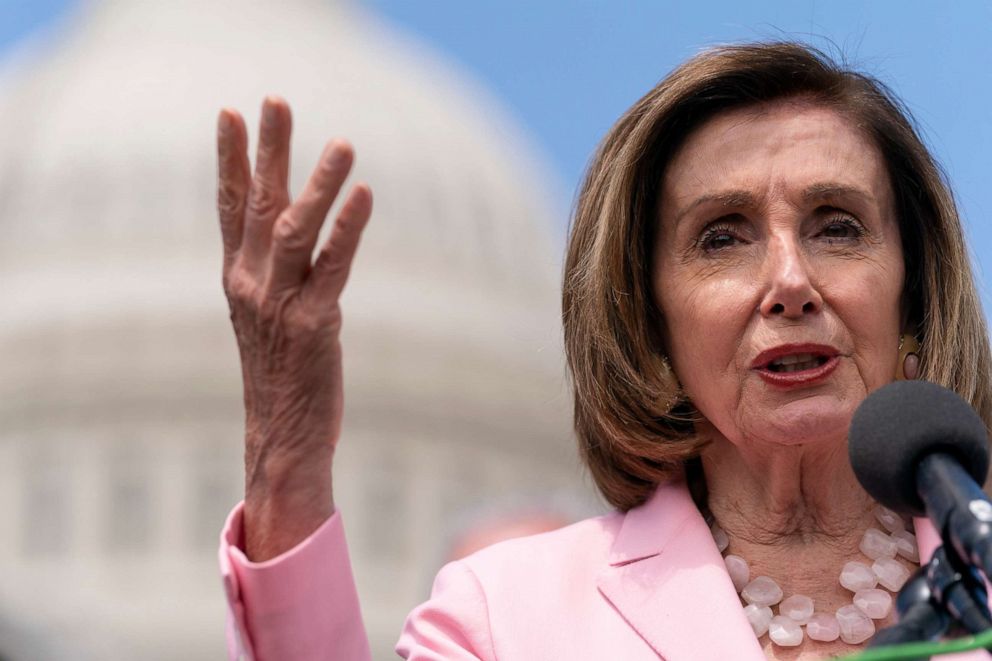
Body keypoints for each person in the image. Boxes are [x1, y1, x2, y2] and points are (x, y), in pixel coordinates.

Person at [214, 41, 992, 660]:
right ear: (648, 325)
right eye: (723, 236)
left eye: (836, 226)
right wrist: (287, 459)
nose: (790, 281)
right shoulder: (506, 619)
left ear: (914, 295)